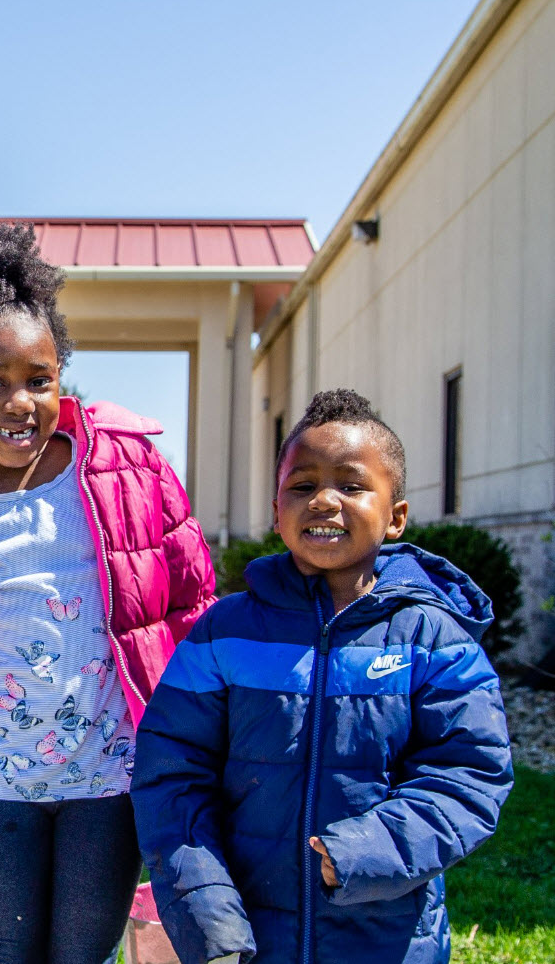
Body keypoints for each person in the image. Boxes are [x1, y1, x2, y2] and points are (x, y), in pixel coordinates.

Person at [0, 224, 216, 964]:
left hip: (109, 776)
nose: (18, 401)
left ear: (61, 374)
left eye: (37, 378)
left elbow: (190, 606)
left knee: (80, 955)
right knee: (5, 955)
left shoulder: (130, 468)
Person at [131, 389, 514, 964]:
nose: (324, 501)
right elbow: (170, 773)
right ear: (277, 508)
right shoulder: (225, 632)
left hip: (386, 938)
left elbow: (470, 772)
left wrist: (363, 852)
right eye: (303, 485)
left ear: (396, 517)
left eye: (352, 486)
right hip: (249, 936)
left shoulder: (431, 638)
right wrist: (206, 908)